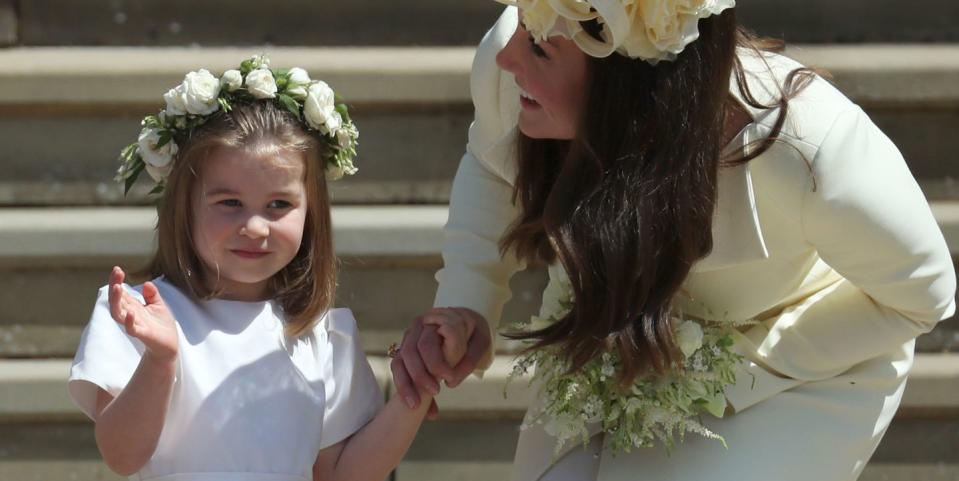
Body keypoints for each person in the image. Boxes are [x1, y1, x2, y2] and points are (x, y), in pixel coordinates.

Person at [392, 2, 957, 480]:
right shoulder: (512, 66)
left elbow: (923, 297)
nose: (508, 57)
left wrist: (729, 367)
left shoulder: (809, 151)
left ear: (632, 83)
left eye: (540, 49)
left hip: (804, 364)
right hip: (617, 321)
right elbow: (494, 167)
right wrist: (466, 300)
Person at [68, 57, 470, 481]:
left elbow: (341, 472)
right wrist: (160, 360)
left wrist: (420, 385)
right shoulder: (142, 315)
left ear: (310, 211)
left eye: (279, 205)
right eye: (229, 204)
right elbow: (121, 455)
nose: (255, 227)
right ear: (183, 205)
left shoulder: (321, 333)